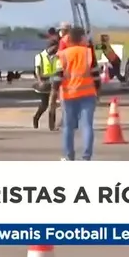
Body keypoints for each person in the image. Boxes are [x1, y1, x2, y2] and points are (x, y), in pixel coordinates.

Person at [54, 27, 98, 161]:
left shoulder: (62, 55)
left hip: (68, 95)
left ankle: (69, 156)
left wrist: (55, 93)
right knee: (87, 126)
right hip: (88, 94)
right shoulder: (88, 53)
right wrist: (98, 90)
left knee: (68, 127)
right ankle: (86, 156)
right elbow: (96, 75)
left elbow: (57, 77)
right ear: (81, 38)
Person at [33, 40, 59, 130]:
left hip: (54, 81)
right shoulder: (39, 56)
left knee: (52, 104)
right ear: (50, 47)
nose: (56, 49)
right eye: (55, 47)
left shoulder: (56, 56)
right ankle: (36, 118)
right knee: (44, 105)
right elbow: (37, 70)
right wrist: (40, 81)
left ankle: (52, 125)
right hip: (44, 81)